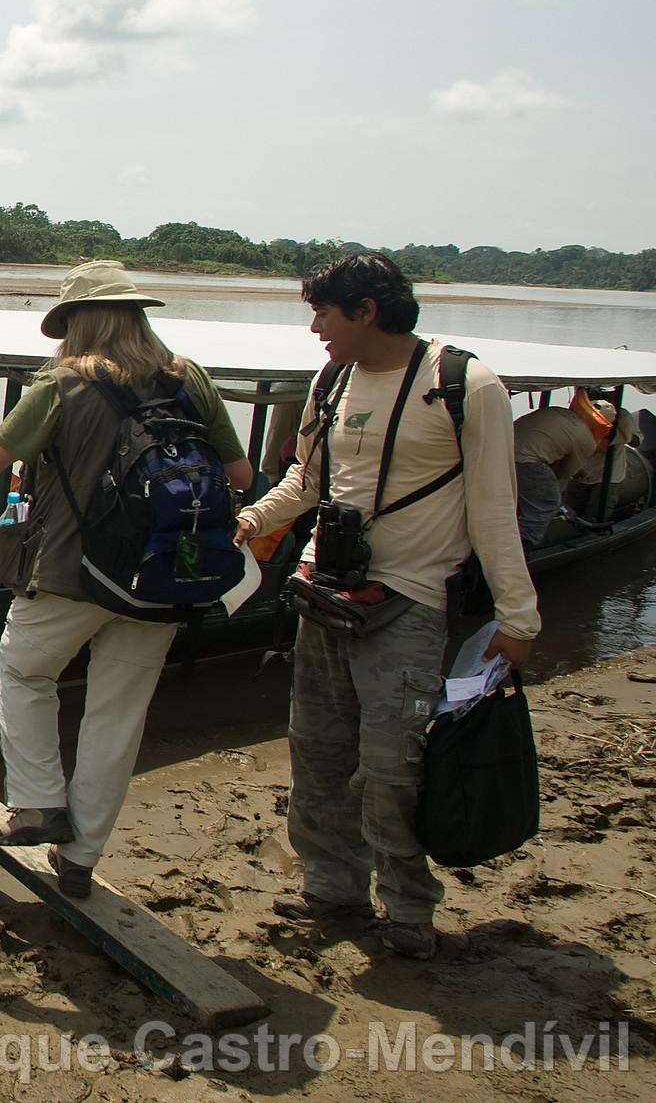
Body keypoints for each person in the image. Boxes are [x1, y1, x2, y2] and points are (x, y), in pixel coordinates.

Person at [0, 261, 253, 898]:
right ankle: (80, 858)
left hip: (72, 573)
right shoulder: (189, 377)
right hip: (165, 574)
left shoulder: (64, 382)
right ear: (136, 314)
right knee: (118, 715)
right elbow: (240, 476)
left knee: (25, 671)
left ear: (76, 321)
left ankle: (37, 804)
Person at [235, 252, 539, 960]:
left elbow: (494, 507)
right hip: (326, 593)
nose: (316, 328)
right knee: (317, 752)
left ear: (366, 310)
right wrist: (251, 520)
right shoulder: (332, 380)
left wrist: (519, 618)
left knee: (391, 765)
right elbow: (307, 480)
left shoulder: (464, 386)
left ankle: (406, 907)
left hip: (410, 602)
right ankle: (333, 888)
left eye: (324, 313)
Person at [512, 403, 600, 545]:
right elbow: (565, 473)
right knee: (547, 503)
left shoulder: (557, 411)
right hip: (526, 460)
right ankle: (523, 545)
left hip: (502, 449)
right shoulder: (587, 440)